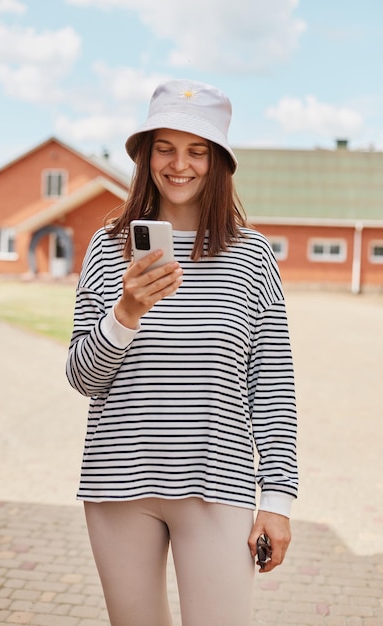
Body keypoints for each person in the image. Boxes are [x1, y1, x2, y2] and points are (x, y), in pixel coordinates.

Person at [66, 78, 298, 626]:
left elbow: (272, 385)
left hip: (220, 486)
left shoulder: (253, 256)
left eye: (197, 150)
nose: (180, 165)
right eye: (165, 148)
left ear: (217, 162)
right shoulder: (107, 247)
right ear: (146, 157)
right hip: (119, 484)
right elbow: (82, 377)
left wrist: (279, 501)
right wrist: (125, 314)